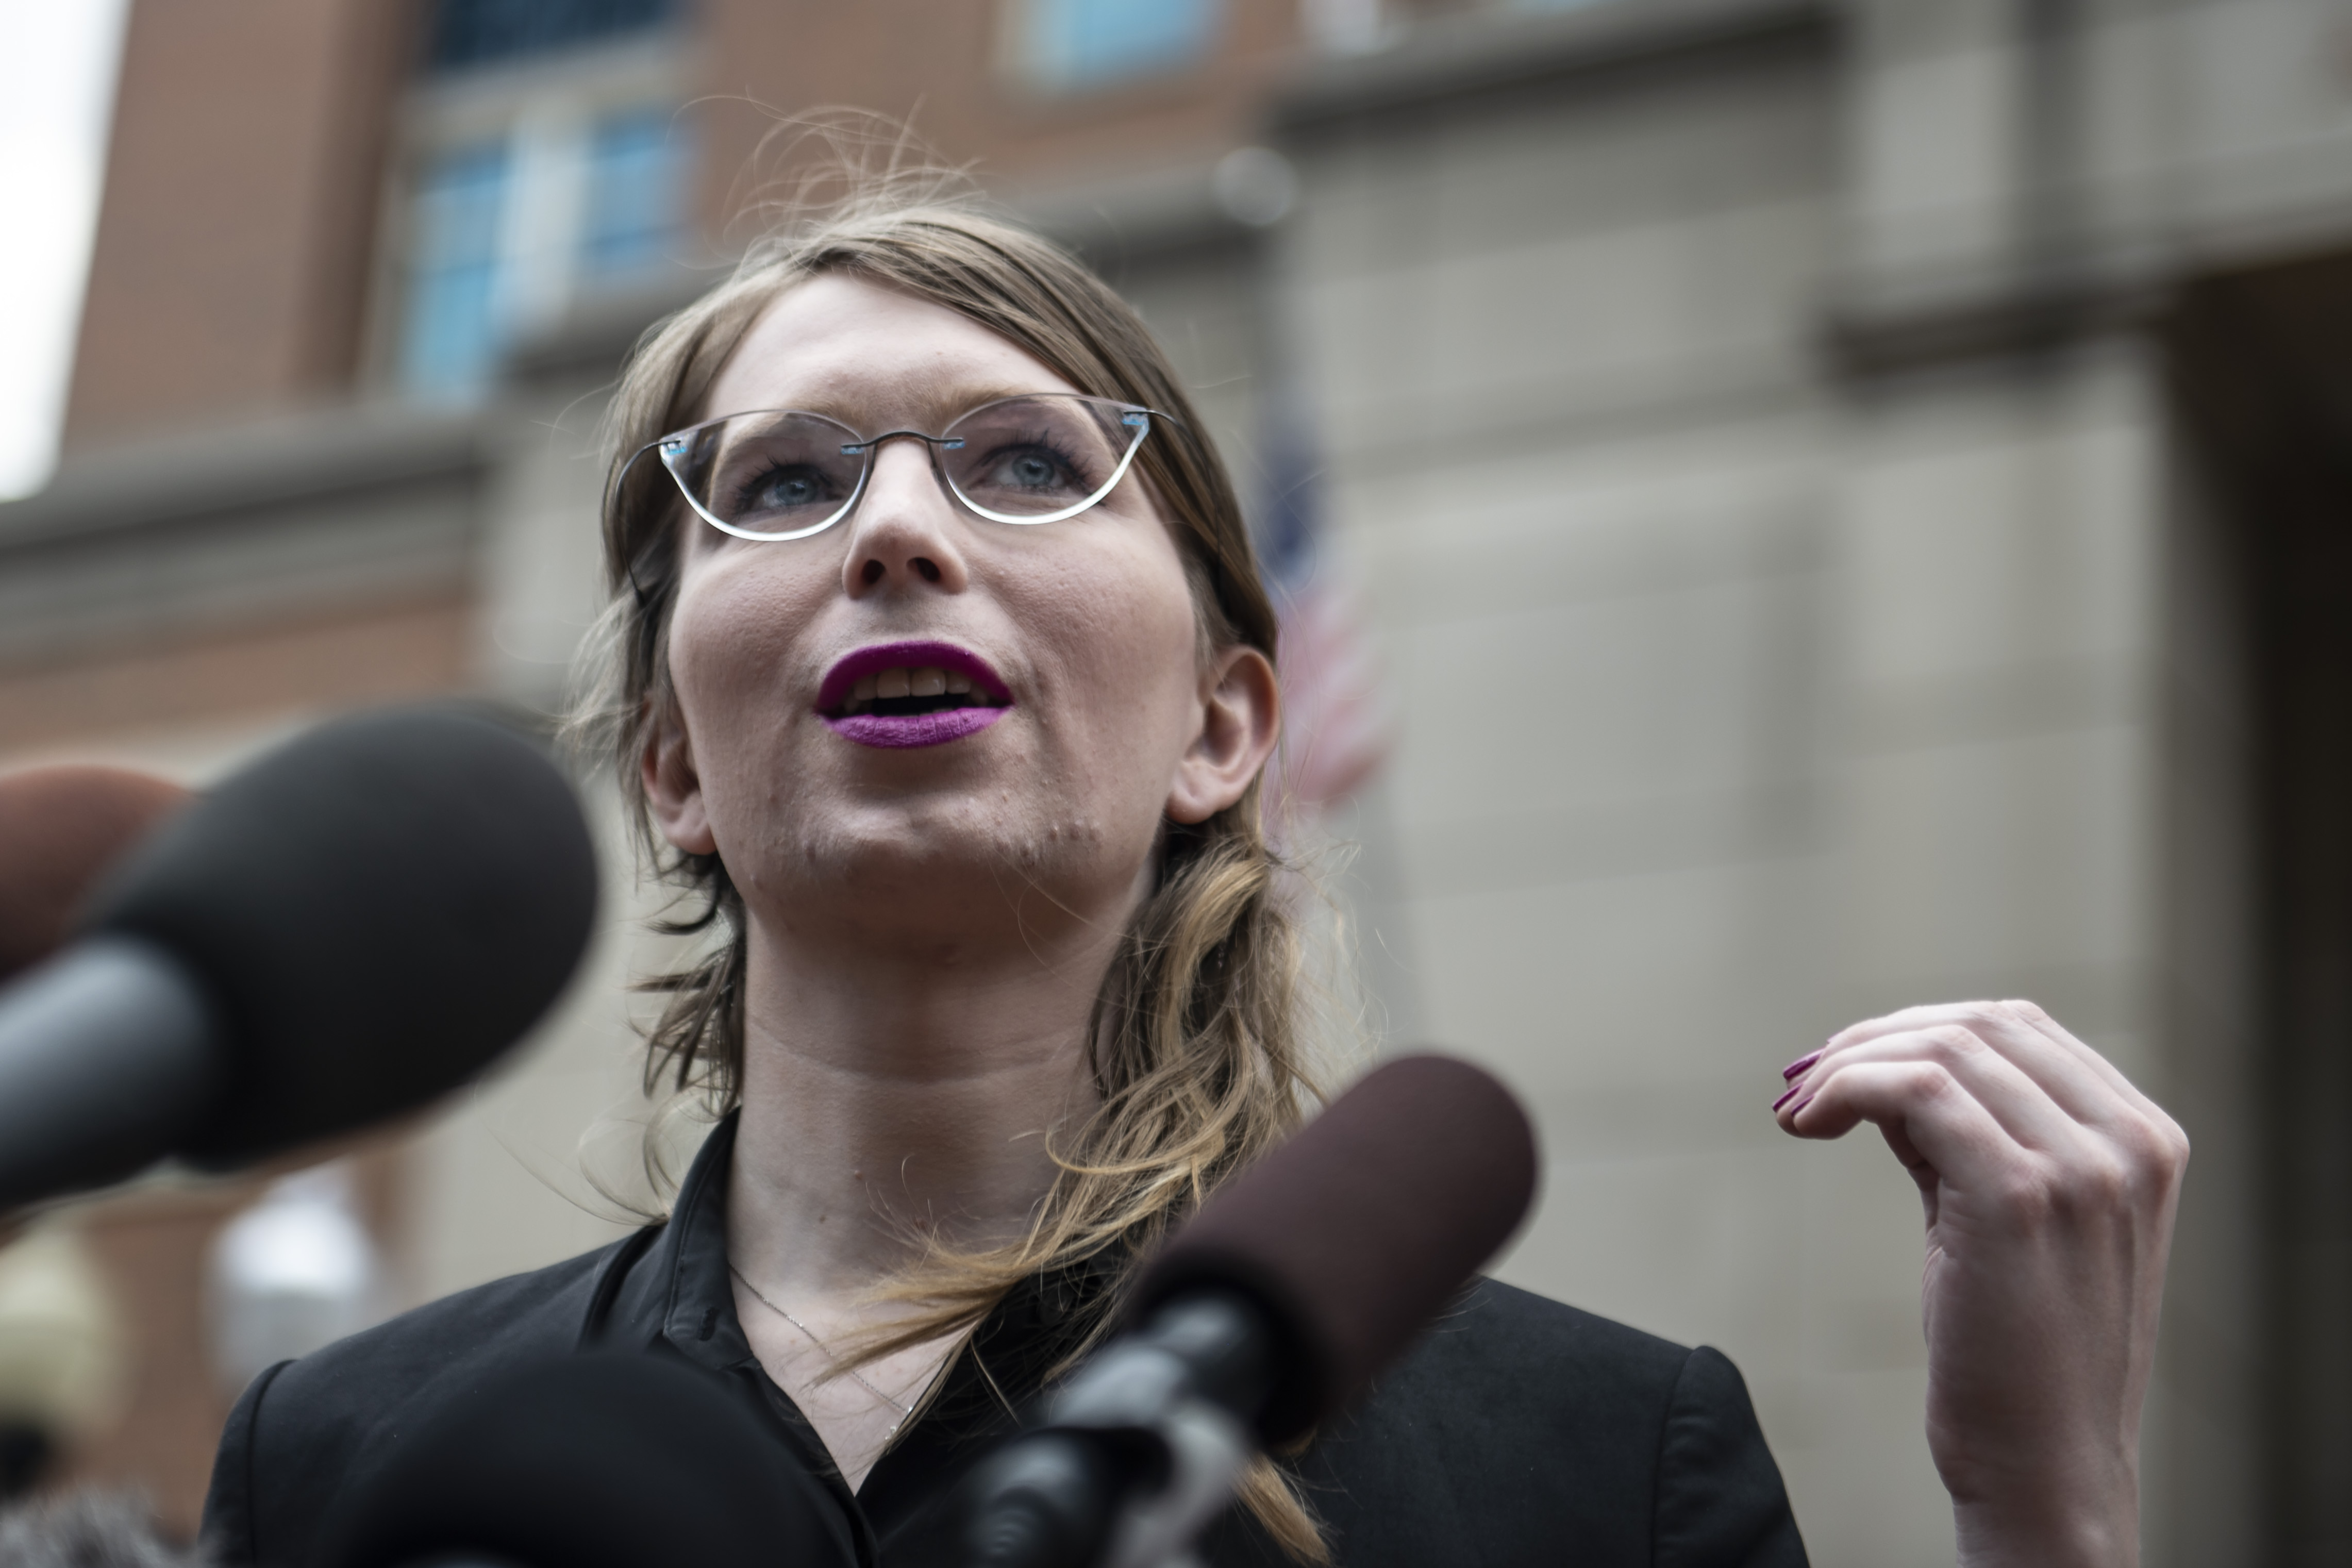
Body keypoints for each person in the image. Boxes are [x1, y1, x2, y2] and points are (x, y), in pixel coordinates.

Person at [199, 168, 2188, 1568]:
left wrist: (2045, 1516)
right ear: (671, 771)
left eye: (1024, 461)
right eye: (788, 480)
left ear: (1226, 727)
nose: (893, 530)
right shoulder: (340, 1462)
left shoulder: (1606, 1463)